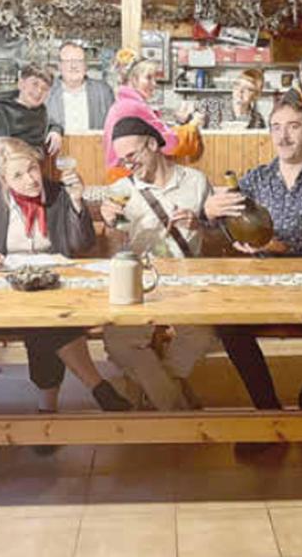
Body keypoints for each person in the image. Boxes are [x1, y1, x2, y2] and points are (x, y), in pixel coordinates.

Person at [0, 137, 130, 413]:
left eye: (33, 169)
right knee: (43, 321)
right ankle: (94, 387)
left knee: (45, 319)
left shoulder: (58, 193)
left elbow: (82, 245)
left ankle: (47, 409)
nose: (30, 180)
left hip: (57, 286)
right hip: (12, 289)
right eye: (18, 175)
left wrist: (76, 202)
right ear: (2, 179)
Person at [203, 97, 302, 417]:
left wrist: (281, 247)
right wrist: (209, 213)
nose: (283, 136)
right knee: (227, 325)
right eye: (276, 128)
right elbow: (224, 230)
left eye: (293, 127)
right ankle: (268, 408)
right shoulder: (255, 179)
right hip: (263, 283)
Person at [99, 117, 217, 410]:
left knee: (202, 336)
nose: (127, 165)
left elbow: (219, 239)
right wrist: (110, 225)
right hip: (139, 283)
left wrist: (199, 225)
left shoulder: (196, 182)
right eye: (122, 160)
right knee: (118, 343)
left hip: (187, 284)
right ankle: (173, 402)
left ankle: (153, 388)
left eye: (132, 155)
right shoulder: (120, 190)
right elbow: (114, 253)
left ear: (152, 144)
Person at [0, 63, 59, 207]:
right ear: (21, 84)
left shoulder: (41, 112)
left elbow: (50, 126)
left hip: (24, 169)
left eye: (44, 88)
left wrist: (56, 130)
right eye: (34, 84)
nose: (39, 91)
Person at [102, 52, 202, 183]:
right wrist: (192, 127)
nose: (154, 84)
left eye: (155, 79)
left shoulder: (122, 104)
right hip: (130, 177)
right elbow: (169, 144)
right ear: (133, 79)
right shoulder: (134, 106)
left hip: (119, 176)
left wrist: (180, 123)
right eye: (148, 78)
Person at [45, 42, 115, 140]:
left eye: (79, 61)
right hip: (58, 149)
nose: (73, 66)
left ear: (85, 66)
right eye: (68, 61)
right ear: (59, 66)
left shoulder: (103, 92)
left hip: (96, 147)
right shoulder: (47, 92)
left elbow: (114, 126)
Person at [191, 68, 266, 130]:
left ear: (256, 95)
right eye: (238, 85)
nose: (240, 91)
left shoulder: (257, 120)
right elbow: (188, 129)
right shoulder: (209, 105)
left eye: (248, 89)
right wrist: (191, 123)